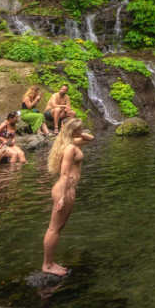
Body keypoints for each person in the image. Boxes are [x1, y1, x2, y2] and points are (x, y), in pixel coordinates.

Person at [42, 118, 93, 276]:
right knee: (54, 229)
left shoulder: (69, 142)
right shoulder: (70, 148)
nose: (83, 130)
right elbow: (64, 174)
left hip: (68, 189)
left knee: (58, 228)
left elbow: (91, 138)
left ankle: (50, 262)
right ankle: (47, 265)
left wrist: (78, 132)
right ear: (74, 131)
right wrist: (62, 197)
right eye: (80, 128)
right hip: (64, 190)